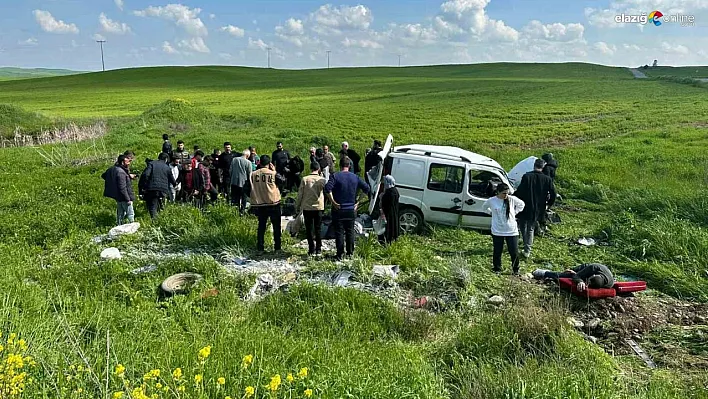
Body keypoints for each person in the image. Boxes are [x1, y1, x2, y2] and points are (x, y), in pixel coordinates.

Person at [325, 157, 371, 260]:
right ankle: (350, 253)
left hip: (339, 209)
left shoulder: (335, 176)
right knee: (350, 232)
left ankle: (340, 254)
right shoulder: (355, 177)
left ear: (340, 166)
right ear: (349, 166)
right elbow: (367, 188)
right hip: (351, 209)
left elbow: (327, 189)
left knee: (339, 232)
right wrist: (358, 202)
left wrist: (333, 202)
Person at [514, 158, 556, 259]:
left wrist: (513, 197)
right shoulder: (547, 179)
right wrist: (549, 204)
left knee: (523, 225)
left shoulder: (527, 176)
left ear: (534, 165)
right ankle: (527, 250)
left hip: (525, 205)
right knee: (531, 228)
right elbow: (553, 193)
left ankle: (525, 245)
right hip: (539, 207)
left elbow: (520, 191)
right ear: (543, 167)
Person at [482, 183, 525, 275]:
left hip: (511, 231)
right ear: (498, 192)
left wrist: (514, 213)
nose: (506, 195)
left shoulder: (512, 199)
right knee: (497, 251)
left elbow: (522, 204)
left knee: (514, 251)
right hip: (497, 230)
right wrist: (492, 213)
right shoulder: (492, 200)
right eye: (504, 193)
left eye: (507, 193)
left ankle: (516, 269)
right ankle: (497, 268)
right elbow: (484, 208)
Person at [250, 155, 282, 254]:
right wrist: (275, 170)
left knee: (261, 227)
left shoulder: (253, 174)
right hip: (273, 203)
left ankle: (260, 248)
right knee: (276, 226)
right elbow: (283, 181)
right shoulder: (272, 174)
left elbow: (246, 188)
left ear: (259, 163)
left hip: (260, 204)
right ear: (269, 164)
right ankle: (277, 248)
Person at [296, 162, 326, 256]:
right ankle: (319, 249)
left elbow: (300, 194)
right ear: (319, 169)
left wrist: (298, 206)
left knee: (309, 229)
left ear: (310, 168)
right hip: (318, 207)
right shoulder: (322, 180)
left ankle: (311, 249)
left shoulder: (305, 179)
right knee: (318, 228)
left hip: (307, 207)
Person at [141, 153, 177, 219]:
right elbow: (171, 178)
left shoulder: (152, 163)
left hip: (152, 188)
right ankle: (162, 218)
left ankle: (154, 221)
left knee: (153, 206)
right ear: (166, 159)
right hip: (163, 189)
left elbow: (145, 175)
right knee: (161, 205)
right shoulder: (167, 167)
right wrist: (175, 184)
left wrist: (145, 185)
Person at [102, 155, 135, 225]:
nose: (129, 162)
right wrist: (128, 199)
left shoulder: (113, 168)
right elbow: (122, 188)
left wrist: (113, 182)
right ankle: (132, 227)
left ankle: (119, 226)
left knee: (120, 214)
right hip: (124, 196)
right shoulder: (121, 172)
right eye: (128, 161)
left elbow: (104, 175)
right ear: (122, 162)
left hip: (118, 196)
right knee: (130, 213)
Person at [533, 263, 614, 292]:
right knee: (564, 275)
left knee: (571, 275)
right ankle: (544, 272)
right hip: (586, 268)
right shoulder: (593, 267)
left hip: (595, 274)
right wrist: (579, 280)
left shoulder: (609, 284)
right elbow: (577, 276)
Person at [230, 149, 253, 215]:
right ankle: (242, 212)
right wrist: (251, 184)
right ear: (248, 155)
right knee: (244, 198)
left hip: (234, 182)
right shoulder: (248, 162)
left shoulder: (234, 159)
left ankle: (235, 211)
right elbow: (249, 174)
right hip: (243, 183)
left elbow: (230, 170)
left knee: (235, 197)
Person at [380, 175, 400, 244]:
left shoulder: (389, 192)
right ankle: (393, 238)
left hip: (388, 213)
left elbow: (385, 203)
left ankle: (387, 240)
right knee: (394, 225)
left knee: (389, 227)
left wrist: (382, 197)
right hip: (394, 212)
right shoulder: (395, 190)